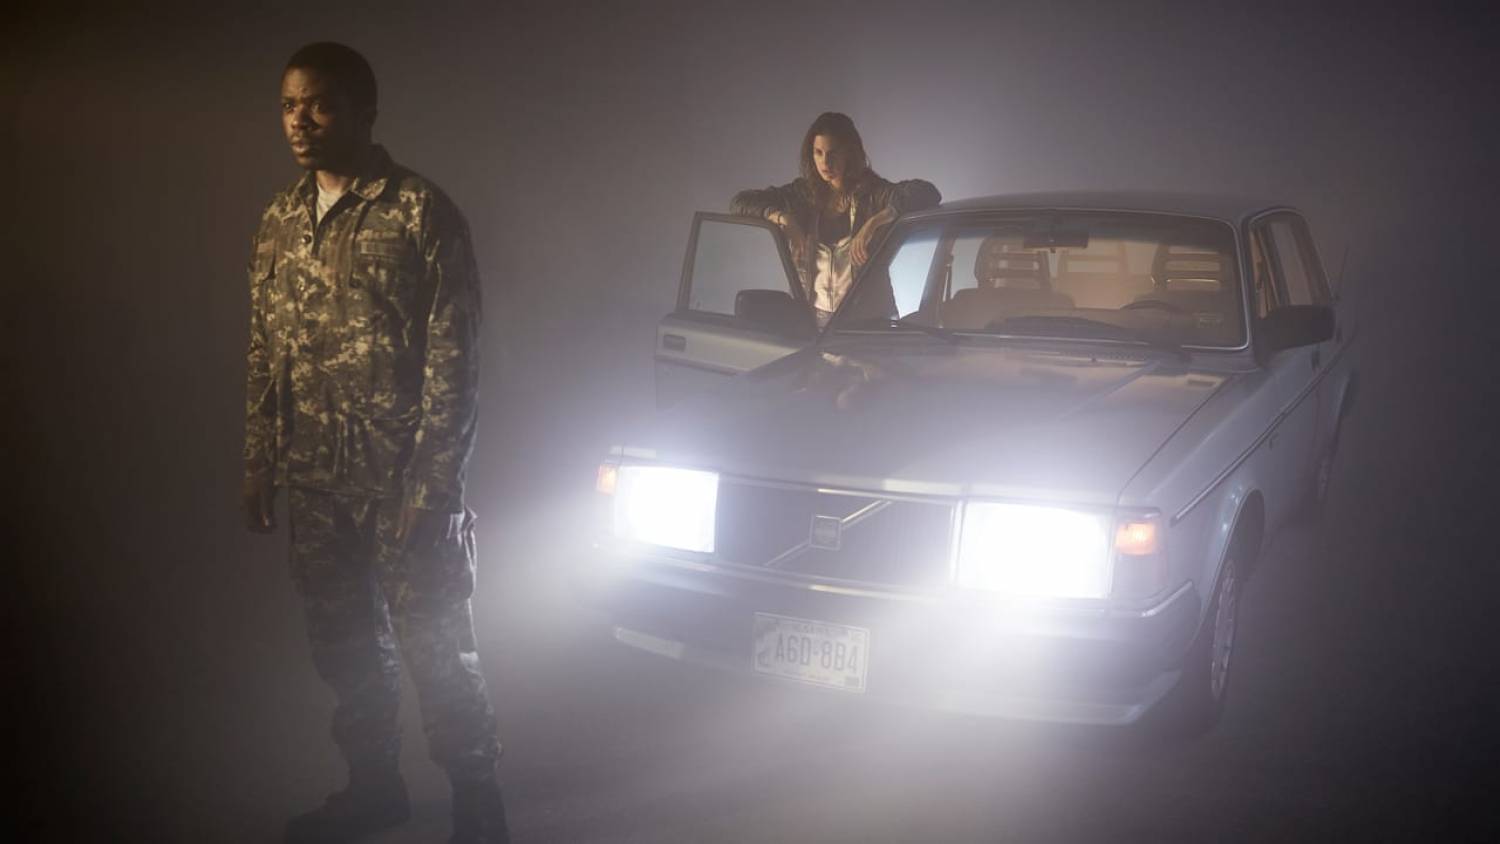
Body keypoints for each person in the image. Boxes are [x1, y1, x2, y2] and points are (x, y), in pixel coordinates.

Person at [242, 42, 509, 844]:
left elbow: (456, 361)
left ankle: (478, 807)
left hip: (403, 485)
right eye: (289, 105)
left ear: (365, 113)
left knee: (438, 650)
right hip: (317, 481)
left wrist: (435, 487)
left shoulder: (420, 213)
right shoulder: (281, 219)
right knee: (346, 650)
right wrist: (260, 458)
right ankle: (374, 788)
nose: (301, 121)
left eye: (320, 105)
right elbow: (263, 346)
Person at [731, 112, 941, 325]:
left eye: (833, 153)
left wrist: (874, 222)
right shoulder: (802, 195)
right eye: (818, 153)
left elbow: (927, 191)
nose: (825, 162)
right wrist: (783, 218)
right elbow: (740, 202)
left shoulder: (872, 193)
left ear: (849, 153)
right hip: (812, 320)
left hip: (869, 321)